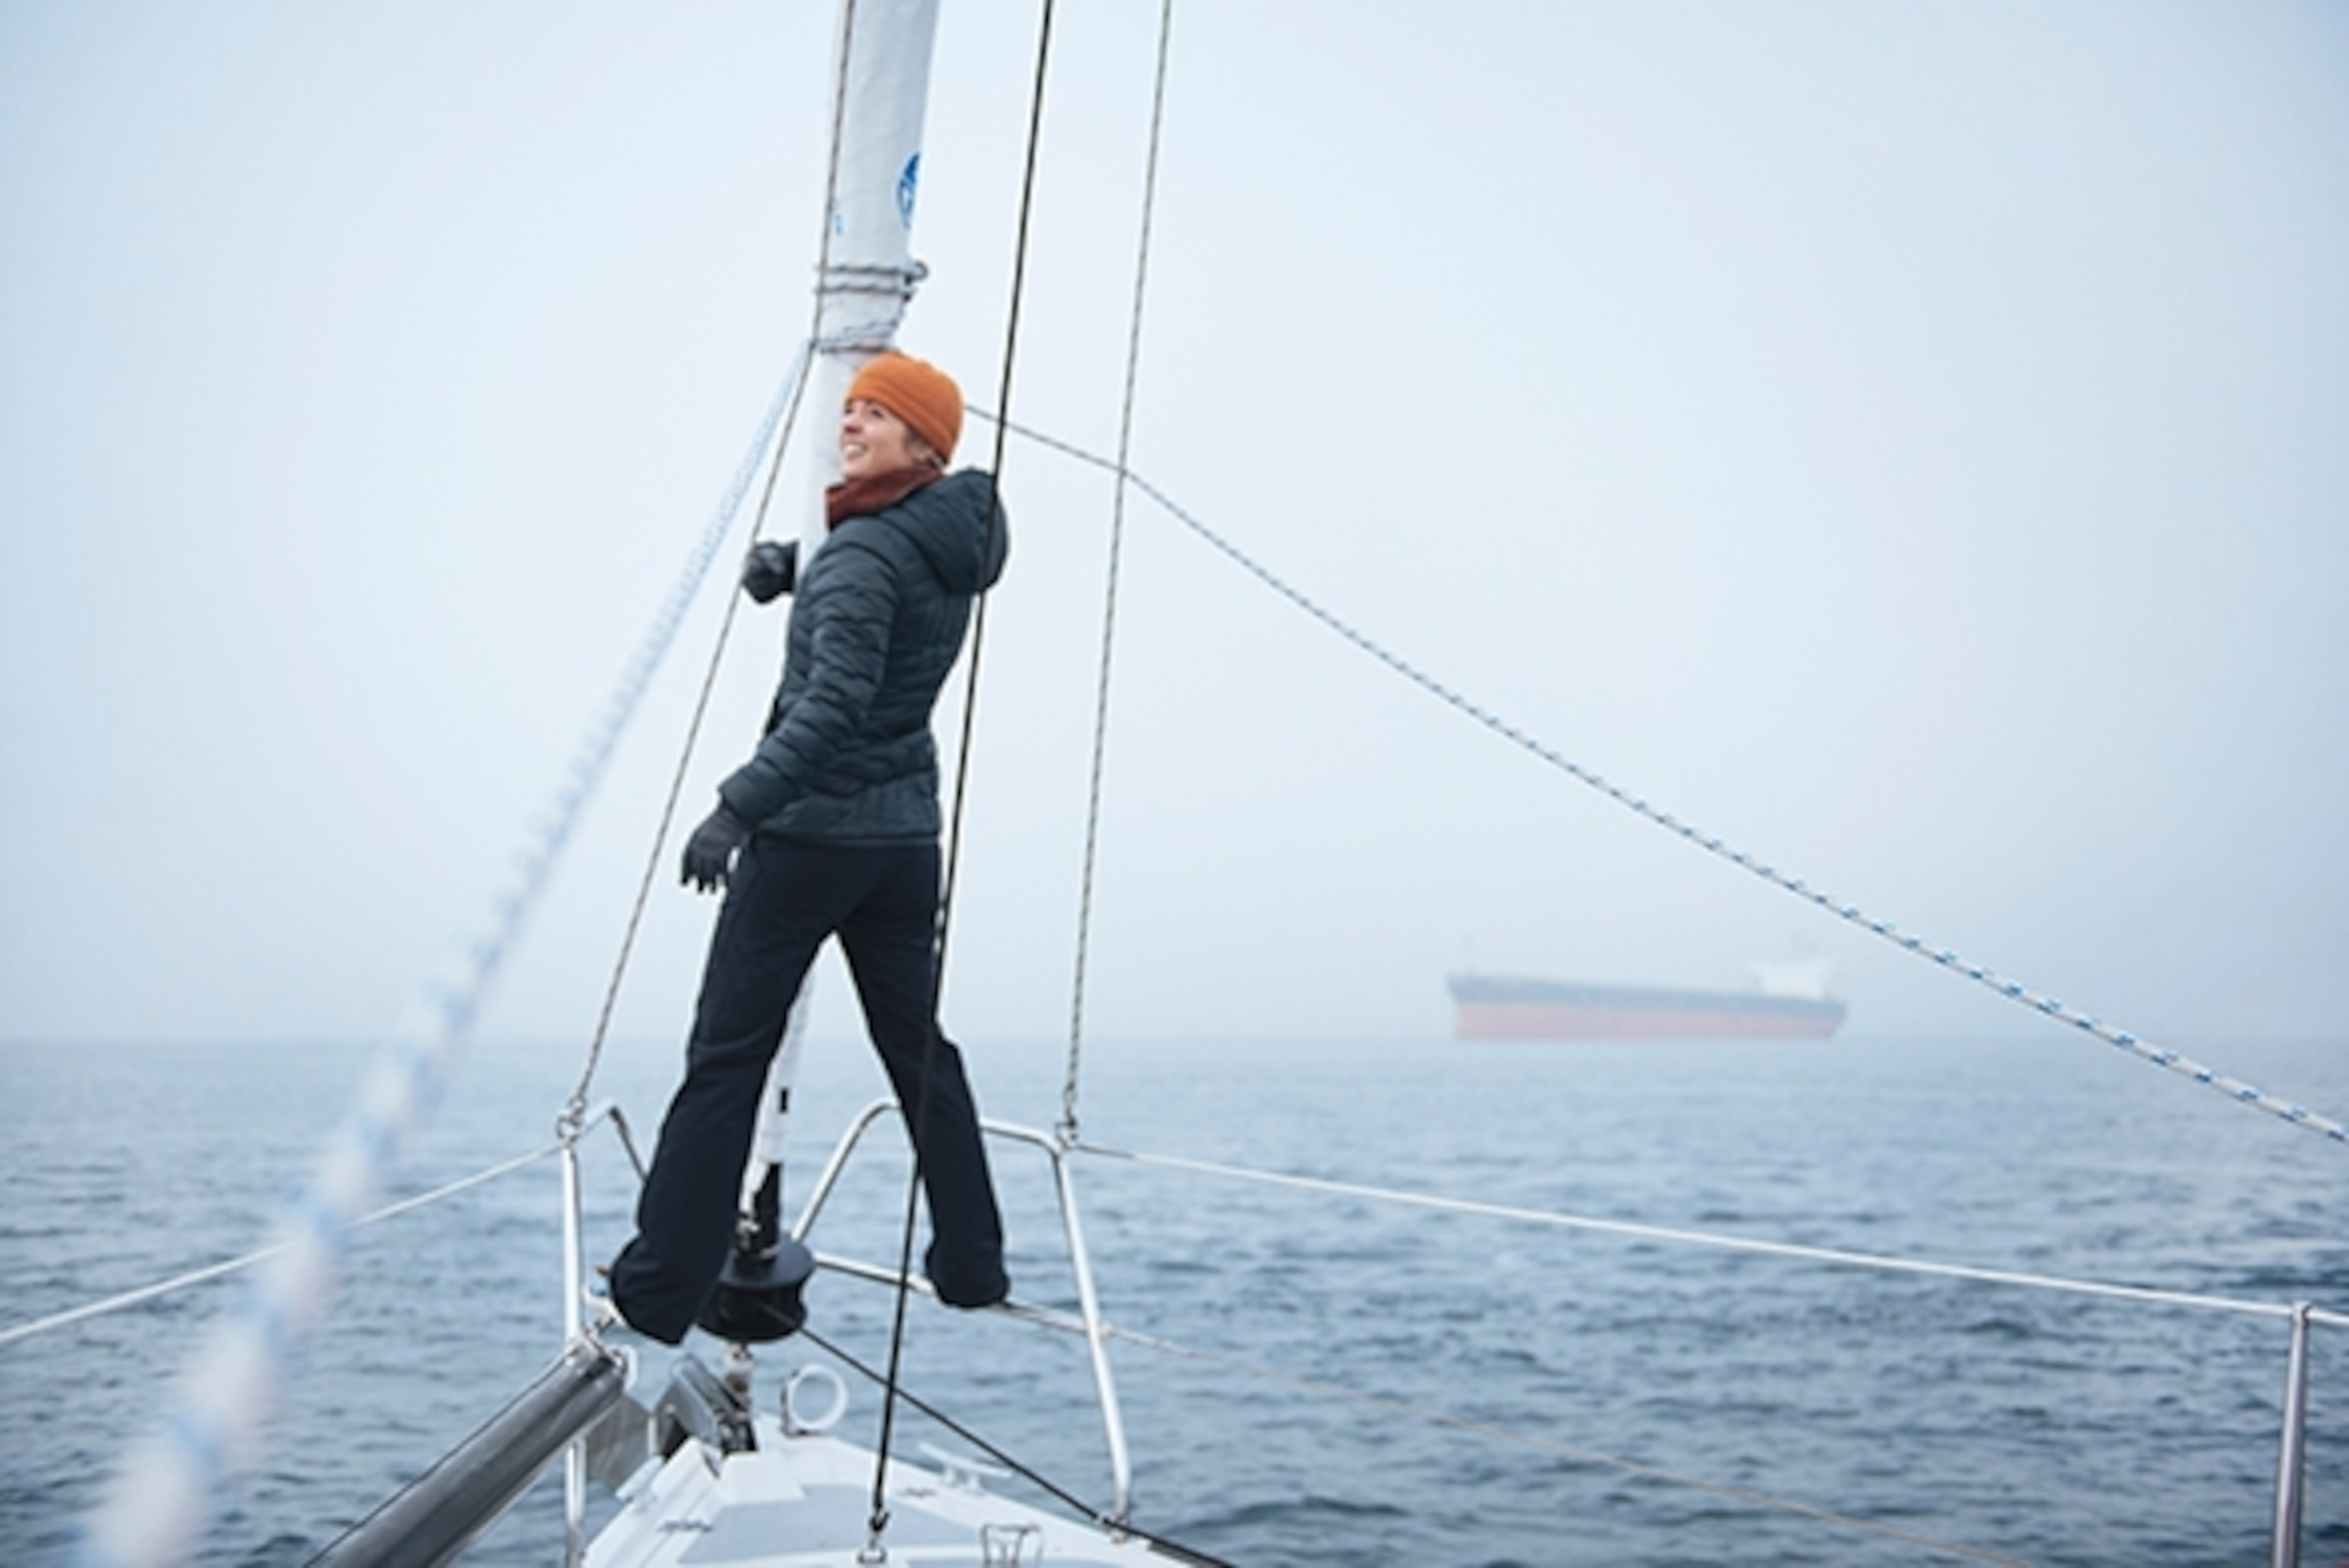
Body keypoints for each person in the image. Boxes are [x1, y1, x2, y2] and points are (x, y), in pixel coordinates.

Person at [607, 350, 1011, 1346]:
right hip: (905, 842)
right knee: (919, 1053)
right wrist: (798, 569)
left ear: (923, 442)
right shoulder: (945, 540)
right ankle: (972, 1264)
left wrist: (733, 809)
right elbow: (891, 600)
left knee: (727, 1061)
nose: (851, 422)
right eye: (853, 406)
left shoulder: (866, 558)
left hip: (807, 844)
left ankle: (658, 1293)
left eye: (877, 414)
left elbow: (832, 704)